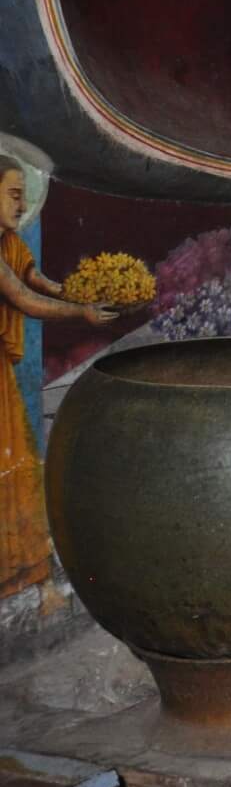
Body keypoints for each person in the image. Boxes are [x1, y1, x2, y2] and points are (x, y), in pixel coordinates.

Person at [0, 155, 118, 596]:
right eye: (13, 195)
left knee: (18, 459)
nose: (20, 205)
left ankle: (22, 571)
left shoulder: (10, 244)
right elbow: (24, 300)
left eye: (23, 197)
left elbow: (37, 282)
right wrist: (81, 313)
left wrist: (82, 290)